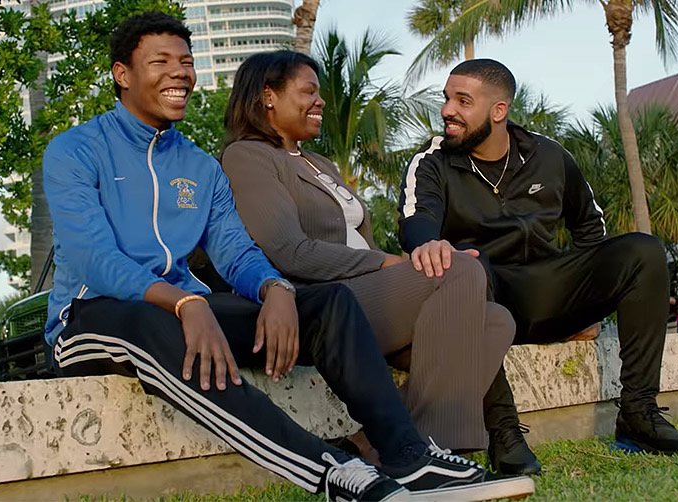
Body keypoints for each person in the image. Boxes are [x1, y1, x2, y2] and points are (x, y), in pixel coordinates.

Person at [43, 13, 534, 501]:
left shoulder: (198, 165)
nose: (179, 73)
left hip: (186, 309)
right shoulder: (75, 151)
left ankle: (409, 458)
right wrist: (184, 303)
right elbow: (94, 258)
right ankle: (336, 473)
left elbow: (236, 250)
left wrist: (275, 288)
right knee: (152, 324)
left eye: (186, 62)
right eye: (160, 62)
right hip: (92, 316)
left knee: (329, 304)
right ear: (122, 74)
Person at [397, 58, 678, 475]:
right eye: (447, 98)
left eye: (462, 101)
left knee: (644, 251)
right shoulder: (431, 162)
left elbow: (590, 226)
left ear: (498, 110)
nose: (447, 110)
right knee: (465, 265)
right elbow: (417, 223)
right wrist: (429, 243)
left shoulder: (547, 154)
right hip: (482, 306)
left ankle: (639, 414)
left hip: (548, 290)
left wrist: (592, 303)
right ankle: (503, 431)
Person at [219, 50, 516, 455]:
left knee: (495, 320)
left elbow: (358, 242)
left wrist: (404, 267)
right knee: (458, 270)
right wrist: (390, 263)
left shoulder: (319, 163)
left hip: (368, 295)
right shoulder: (248, 156)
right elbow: (289, 251)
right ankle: (442, 449)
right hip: (321, 304)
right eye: (308, 92)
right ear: (268, 96)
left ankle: (371, 446)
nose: (320, 101)